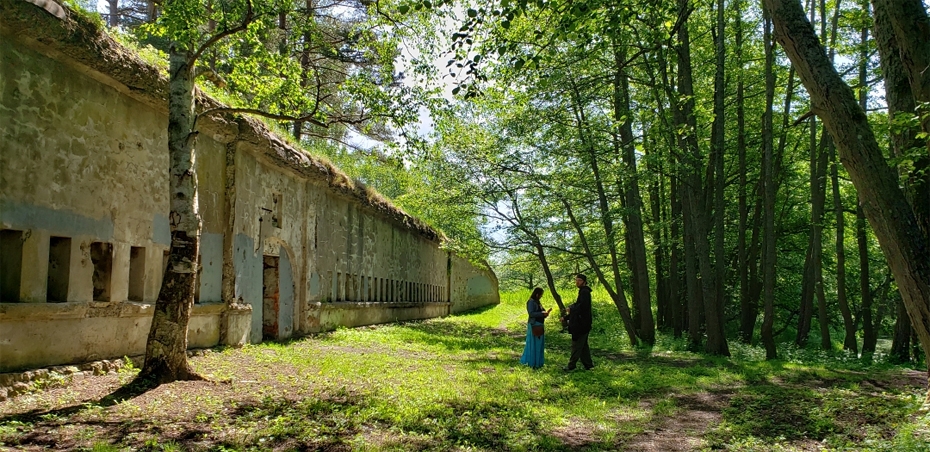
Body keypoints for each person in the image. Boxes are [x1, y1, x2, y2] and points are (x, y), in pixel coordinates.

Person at [563, 274, 594, 371]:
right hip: (583, 323)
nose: (577, 282)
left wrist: (571, 309)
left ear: (584, 282)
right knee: (583, 345)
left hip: (581, 324)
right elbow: (578, 305)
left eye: (579, 280)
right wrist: (567, 317)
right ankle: (589, 365)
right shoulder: (582, 291)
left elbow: (582, 307)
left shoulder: (585, 292)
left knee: (576, 345)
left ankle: (571, 365)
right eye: (576, 280)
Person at [520, 287, 551, 369]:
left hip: (540, 324)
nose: (541, 296)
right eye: (541, 295)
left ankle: (538, 362)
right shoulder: (531, 302)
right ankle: (532, 362)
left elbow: (541, 311)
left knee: (539, 344)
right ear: (537, 294)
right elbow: (531, 313)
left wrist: (545, 313)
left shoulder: (538, 302)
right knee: (533, 344)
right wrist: (542, 314)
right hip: (534, 325)